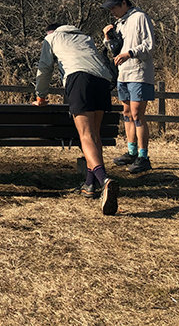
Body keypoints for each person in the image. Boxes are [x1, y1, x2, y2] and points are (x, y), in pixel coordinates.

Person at [34, 23, 119, 216]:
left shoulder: (52, 38)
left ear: (51, 32)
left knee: (86, 135)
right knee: (95, 135)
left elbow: (45, 68)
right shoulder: (85, 38)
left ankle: (104, 181)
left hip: (79, 79)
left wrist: (41, 95)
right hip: (102, 80)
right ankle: (90, 184)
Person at [102, 0, 156, 174]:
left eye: (114, 7)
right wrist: (108, 38)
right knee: (126, 111)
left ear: (124, 3)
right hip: (123, 74)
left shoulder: (140, 17)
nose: (112, 11)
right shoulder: (120, 22)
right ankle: (131, 151)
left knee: (137, 114)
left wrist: (130, 53)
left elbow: (149, 45)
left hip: (139, 73)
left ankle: (143, 156)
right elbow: (116, 51)